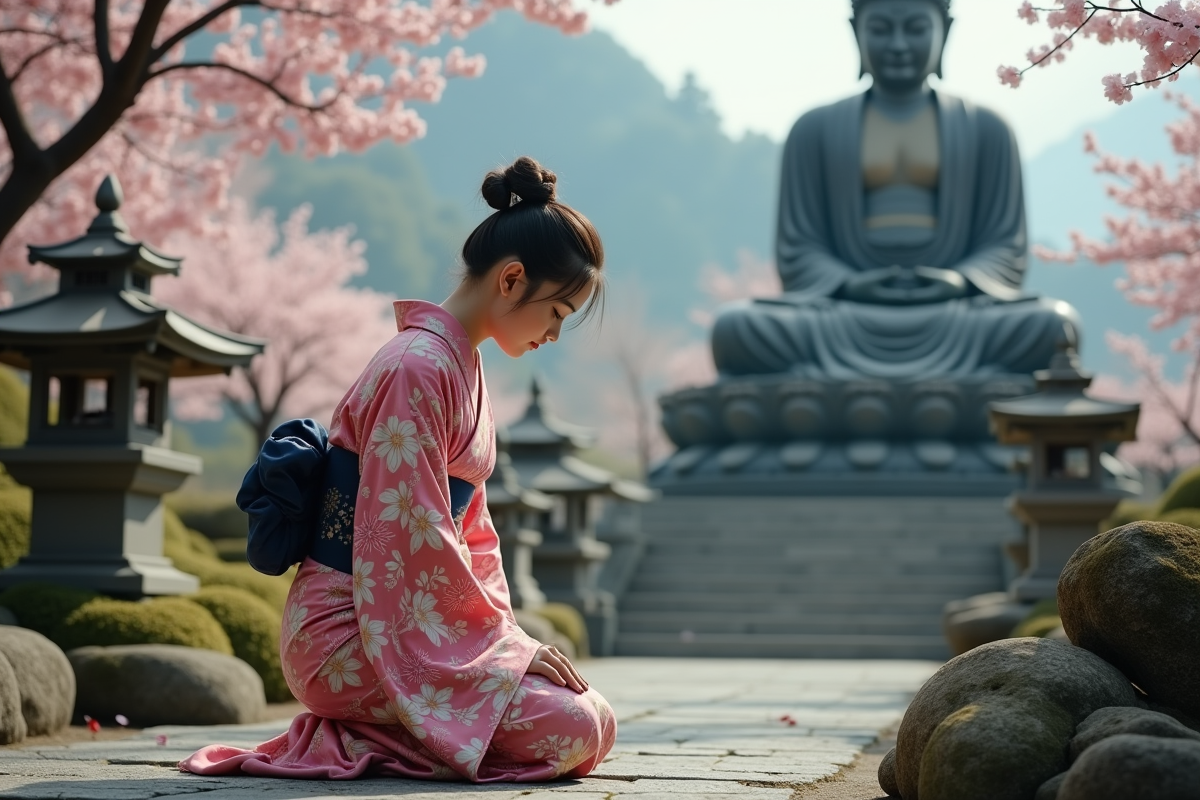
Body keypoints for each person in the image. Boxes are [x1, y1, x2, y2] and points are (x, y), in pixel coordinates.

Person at [180, 156, 616, 783]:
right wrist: (506, 655)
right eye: (555, 314)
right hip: (346, 629)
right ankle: (379, 734)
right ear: (513, 279)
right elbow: (410, 539)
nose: (553, 335)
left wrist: (507, 646)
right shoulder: (418, 367)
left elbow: (476, 539)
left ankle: (373, 734)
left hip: (400, 624)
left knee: (590, 718)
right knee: (576, 727)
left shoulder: (459, 368)